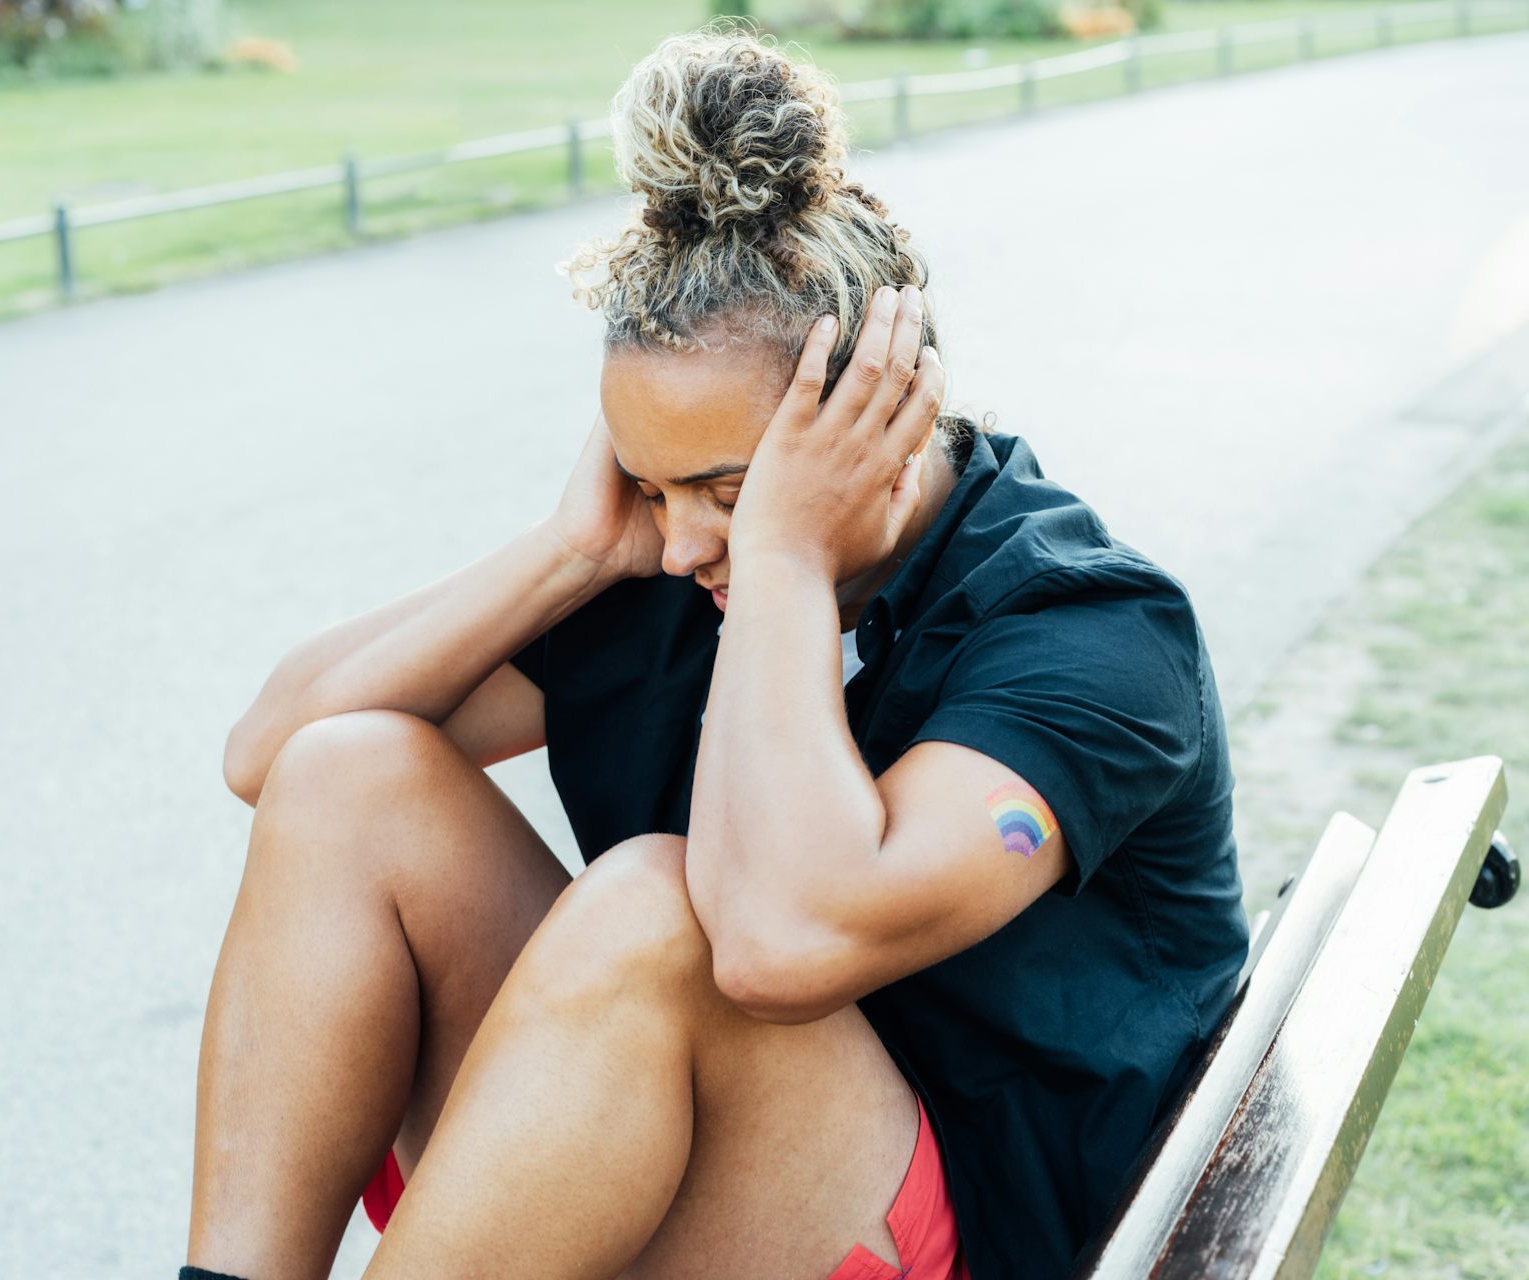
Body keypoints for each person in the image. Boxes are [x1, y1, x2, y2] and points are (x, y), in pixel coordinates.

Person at [183, 26, 1247, 1280]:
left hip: (990, 1233)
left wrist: (783, 557)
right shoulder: (671, 559)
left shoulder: (1091, 632)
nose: (684, 539)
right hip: (721, 1160)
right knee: (350, 777)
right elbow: (276, 754)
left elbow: (776, 943)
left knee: (653, 902)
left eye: (725, 490)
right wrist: (574, 549)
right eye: (649, 484)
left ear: (886, 427)